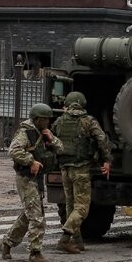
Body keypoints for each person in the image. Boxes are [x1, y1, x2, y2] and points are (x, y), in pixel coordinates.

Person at [0, 103, 64, 262]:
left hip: (37, 179)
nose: (47, 122)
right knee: (36, 217)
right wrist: (31, 161)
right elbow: (13, 151)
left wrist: (52, 138)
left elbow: (61, 149)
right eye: (45, 119)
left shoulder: (43, 133)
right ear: (37, 119)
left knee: (28, 215)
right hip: (26, 178)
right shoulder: (25, 132)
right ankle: (35, 252)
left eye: (48, 120)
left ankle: (7, 243)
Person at [52, 91, 112, 253]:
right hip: (81, 169)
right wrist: (106, 160)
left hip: (65, 169)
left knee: (71, 206)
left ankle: (78, 242)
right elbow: (101, 139)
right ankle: (65, 238)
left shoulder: (59, 121)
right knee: (82, 208)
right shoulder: (88, 121)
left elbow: (51, 140)